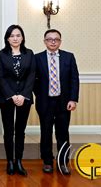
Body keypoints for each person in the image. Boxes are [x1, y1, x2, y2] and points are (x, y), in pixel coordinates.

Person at [34, 29, 79, 175]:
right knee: (45, 133)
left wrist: (73, 99)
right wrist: (39, 96)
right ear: (45, 41)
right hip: (45, 102)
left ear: (60, 41)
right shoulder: (37, 58)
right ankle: (47, 162)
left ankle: (63, 162)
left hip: (63, 102)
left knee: (63, 133)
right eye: (50, 39)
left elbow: (74, 79)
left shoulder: (69, 57)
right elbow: (33, 81)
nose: (53, 41)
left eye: (56, 39)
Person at [0, 25, 35, 176]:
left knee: (20, 131)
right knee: (9, 131)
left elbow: (32, 75)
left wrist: (23, 95)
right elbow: (1, 76)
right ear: (7, 38)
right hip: (7, 97)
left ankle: (19, 160)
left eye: (18, 35)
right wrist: (12, 95)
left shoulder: (29, 54)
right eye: (12, 36)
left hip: (24, 98)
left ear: (22, 37)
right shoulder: (2, 54)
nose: (15, 38)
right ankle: (10, 162)